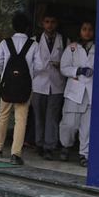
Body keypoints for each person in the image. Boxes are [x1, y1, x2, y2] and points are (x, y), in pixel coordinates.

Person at [0, 12, 37, 165]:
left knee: (3, 115)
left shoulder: (5, 43)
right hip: (25, 86)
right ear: (27, 27)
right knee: (21, 119)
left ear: (13, 26)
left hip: (7, 85)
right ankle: (16, 153)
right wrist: (29, 72)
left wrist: (5, 73)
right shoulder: (33, 45)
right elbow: (41, 65)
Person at [59, 20, 95, 167]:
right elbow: (63, 67)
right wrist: (78, 70)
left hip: (91, 91)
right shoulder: (72, 48)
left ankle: (84, 154)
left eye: (90, 29)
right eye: (84, 29)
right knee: (70, 124)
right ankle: (65, 146)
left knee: (87, 126)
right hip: (74, 91)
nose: (87, 32)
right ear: (79, 31)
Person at [31, 12, 66, 160]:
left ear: (56, 24)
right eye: (47, 21)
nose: (49, 25)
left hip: (57, 84)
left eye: (52, 21)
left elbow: (69, 61)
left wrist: (61, 66)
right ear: (42, 23)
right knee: (39, 116)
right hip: (38, 84)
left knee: (52, 117)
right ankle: (39, 143)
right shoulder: (35, 40)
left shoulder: (63, 40)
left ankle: (49, 146)